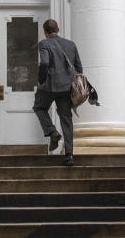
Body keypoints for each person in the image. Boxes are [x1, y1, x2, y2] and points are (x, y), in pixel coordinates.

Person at [33, 18, 82, 166]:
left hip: (48, 86)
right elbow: (79, 67)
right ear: (58, 29)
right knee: (66, 119)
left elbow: (45, 63)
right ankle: (69, 155)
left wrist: (40, 80)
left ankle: (53, 133)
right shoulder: (71, 45)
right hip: (66, 88)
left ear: (45, 32)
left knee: (39, 108)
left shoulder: (44, 44)